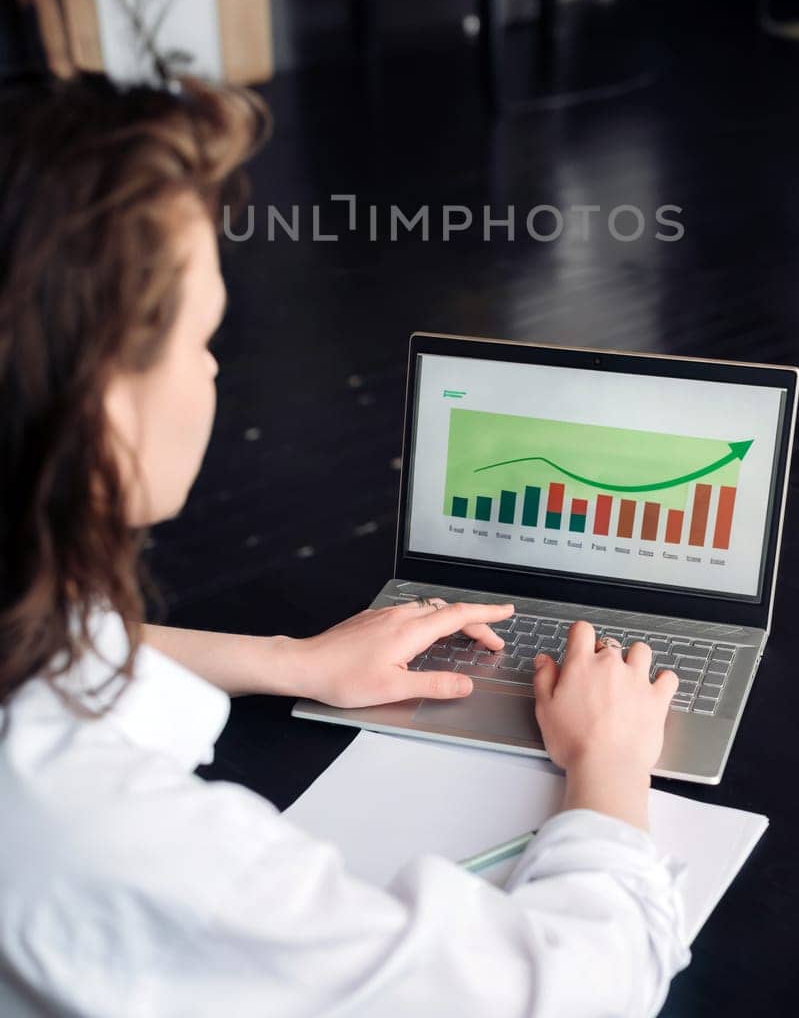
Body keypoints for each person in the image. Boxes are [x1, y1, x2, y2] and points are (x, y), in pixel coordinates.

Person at [0, 71, 689, 1018]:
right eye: (205, 337)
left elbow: (31, 647)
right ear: (101, 411)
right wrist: (608, 763)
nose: (211, 371)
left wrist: (294, 662)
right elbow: (570, 992)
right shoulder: (107, 837)